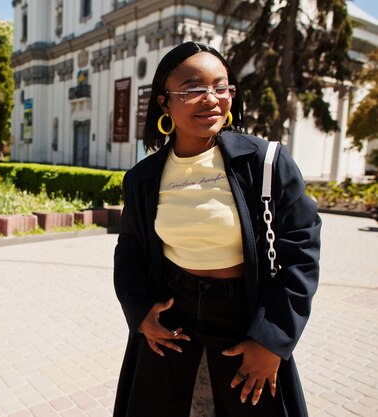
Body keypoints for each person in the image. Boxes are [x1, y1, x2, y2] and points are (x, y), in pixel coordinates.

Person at [113, 41, 321, 417]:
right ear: (164, 103)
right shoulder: (143, 178)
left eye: (221, 87)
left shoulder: (265, 162)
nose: (210, 98)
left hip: (247, 321)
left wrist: (273, 340)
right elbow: (130, 251)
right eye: (192, 89)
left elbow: (301, 253)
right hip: (174, 321)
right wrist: (140, 312)